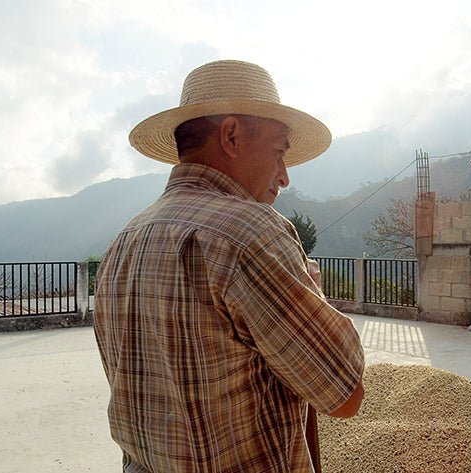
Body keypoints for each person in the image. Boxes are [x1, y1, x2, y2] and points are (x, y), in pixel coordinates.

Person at [94, 59, 365, 473]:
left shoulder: (124, 241)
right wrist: (312, 291)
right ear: (232, 135)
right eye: (278, 152)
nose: (284, 176)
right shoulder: (251, 233)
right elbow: (345, 395)